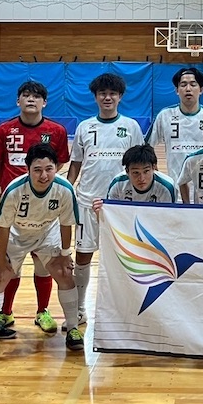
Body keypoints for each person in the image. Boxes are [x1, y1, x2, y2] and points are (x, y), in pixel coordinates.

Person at [0, 80, 70, 336]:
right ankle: (6, 312)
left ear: (45, 102)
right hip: (14, 208)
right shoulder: (4, 129)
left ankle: (42, 311)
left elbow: (60, 163)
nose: (31, 99)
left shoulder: (56, 131)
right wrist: (3, 189)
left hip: (44, 210)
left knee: (43, 264)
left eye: (36, 96)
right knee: (10, 266)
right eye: (26, 95)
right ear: (18, 101)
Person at [0, 144, 83, 354]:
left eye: (49, 169)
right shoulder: (14, 190)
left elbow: (66, 224)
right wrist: (0, 258)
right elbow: (4, 227)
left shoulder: (64, 189)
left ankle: (73, 329)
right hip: (17, 234)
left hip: (47, 233)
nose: (43, 175)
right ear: (28, 169)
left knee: (65, 273)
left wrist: (65, 254)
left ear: (56, 167)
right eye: (37, 170)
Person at [67, 73, 144, 325]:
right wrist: (68, 190)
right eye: (102, 93)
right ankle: (79, 308)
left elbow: (141, 163)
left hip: (120, 206)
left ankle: (126, 311)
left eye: (112, 93)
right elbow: (76, 163)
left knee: (125, 258)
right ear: (95, 97)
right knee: (83, 256)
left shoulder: (131, 126)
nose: (107, 97)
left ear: (120, 96)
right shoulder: (84, 127)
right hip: (87, 201)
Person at [147, 67, 203, 197]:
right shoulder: (164, 116)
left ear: (201, 89)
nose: (188, 89)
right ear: (177, 90)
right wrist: (157, 175)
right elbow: (147, 147)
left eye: (193, 84)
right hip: (176, 191)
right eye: (183, 85)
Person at [95, 144, 178, 206]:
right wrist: (100, 213)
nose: (141, 178)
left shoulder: (166, 187)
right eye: (136, 173)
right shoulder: (117, 184)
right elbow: (111, 216)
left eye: (146, 171)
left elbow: (168, 218)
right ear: (127, 171)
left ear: (153, 168)